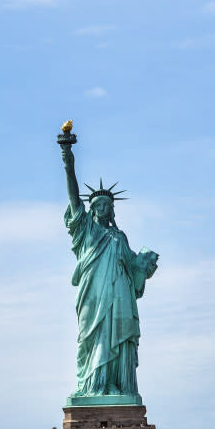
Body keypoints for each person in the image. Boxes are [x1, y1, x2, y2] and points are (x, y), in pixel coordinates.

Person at [57, 124, 159, 402]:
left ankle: (114, 386)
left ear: (111, 210)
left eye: (107, 206)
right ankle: (93, 386)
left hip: (118, 298)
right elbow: (73, 196)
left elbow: (133, 267)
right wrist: (68, 158)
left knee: (117, 336)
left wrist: (146, 263)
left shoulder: (118, 236)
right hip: (93, 295)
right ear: (92, 210)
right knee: (92, 339)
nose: (103, 208)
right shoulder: (86, 231)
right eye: (98, 205)